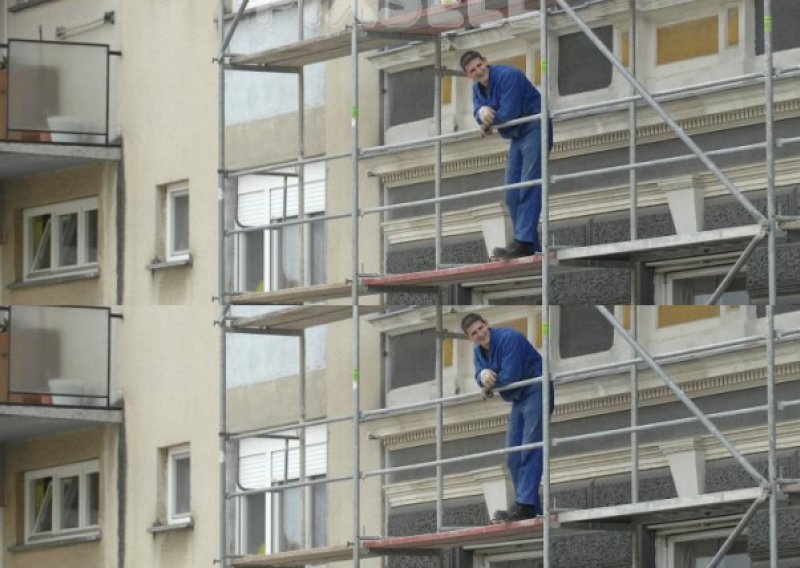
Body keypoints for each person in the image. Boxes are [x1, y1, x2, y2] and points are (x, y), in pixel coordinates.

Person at [461, 312, 554, 521]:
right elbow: (480, 372)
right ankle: (530, 507)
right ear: (469, 338)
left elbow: (510, 376)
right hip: (518, 398)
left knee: (530, 447)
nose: (479, 334)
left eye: (480, 328)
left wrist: (487, 383)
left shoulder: (510, 338)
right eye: (474, 333)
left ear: (487, 324)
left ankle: (525, 504)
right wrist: (481, 376)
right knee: (513, 455)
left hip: (535, 389)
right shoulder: (479, 351)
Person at [461, 50, 554, 259]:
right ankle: (529, 243)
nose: (478, 71)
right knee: (511, 192)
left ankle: (522, 241)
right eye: (472, 70)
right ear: (468, 75)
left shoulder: (509, 75)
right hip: (516, 135)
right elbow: (480, 111)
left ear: (486, 61)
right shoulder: (478, 88)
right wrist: (480, 113)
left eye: (479, 65)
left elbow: (508, 113)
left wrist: (486, 119)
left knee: (529, 184)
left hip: (534, 126)